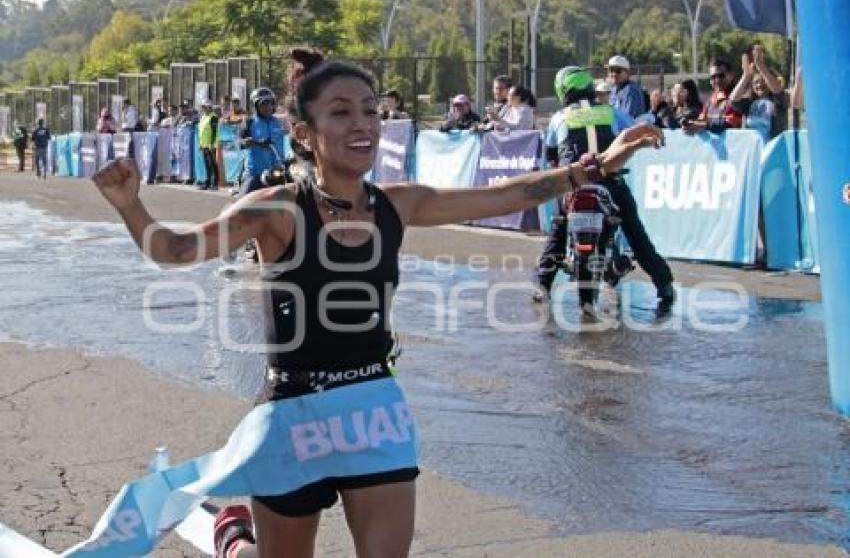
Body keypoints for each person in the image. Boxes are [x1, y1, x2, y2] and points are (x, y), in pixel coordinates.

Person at [90, 60, 664, 558]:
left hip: (375, 414)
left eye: (369, 110)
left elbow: (510, 194)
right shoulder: (276, 211)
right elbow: (176, 249)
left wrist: (598, 166)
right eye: (340, 112)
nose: (361, 123)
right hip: (293, 418)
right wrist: (131, 205)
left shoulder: (399, 203)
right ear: (305, 133)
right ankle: (235, 540)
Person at [536, 66, 675, 315]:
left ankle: (543, 284)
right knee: (636, 234)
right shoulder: (611, 112)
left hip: (574, 185)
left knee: (558, 230)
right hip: (610, 183)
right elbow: (632, 131)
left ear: (563, 91)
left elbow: (551, 158)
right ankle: (663, 284)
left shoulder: (558, 118)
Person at [730, 45, 789, 141]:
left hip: (773, 149)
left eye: (763, 81)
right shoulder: (749, 102)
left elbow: (778, 91)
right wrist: (746, 76)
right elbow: (733, 100)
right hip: (752, 151)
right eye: (756, 82)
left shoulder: (779, 100)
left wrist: (761, 66)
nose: (759, 85)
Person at [237, 86, 286, 196]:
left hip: (277, 173)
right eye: (264, 103)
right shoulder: (249, 122)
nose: (269, 106)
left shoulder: (278, 122)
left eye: (271, 103)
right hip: (255, 174)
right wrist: (251, 142)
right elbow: (240, 142)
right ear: (256, 106)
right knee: (242, 205)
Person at [684, 59, 742, 135]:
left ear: (731, 75)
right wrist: (691, 124)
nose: (717, 80)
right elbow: (701, 120)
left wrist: (702, 125)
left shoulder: (738, 97)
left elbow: (729, 125)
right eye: (713, 77)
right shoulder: (710, 100)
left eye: (721, 76)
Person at [197, 101, 220, 191]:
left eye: (205, 107)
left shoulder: (213, 117)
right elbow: (201, 131)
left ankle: (214, 183)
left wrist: (212, 143)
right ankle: (208, 182)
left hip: (211, 145)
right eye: (203, 107)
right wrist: (201, 144)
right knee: (207, 164)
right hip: (204, 144)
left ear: (210, 107)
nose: (204, 109)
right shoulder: (203, 117)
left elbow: (214, 132)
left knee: (213, 164)